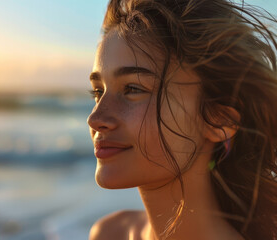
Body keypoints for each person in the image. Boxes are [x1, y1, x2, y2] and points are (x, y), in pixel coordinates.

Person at [87, 0, 277, 239]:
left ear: (220, 120)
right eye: (98, 92)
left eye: (133, 89)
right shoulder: (110, 233)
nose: (95, 118)